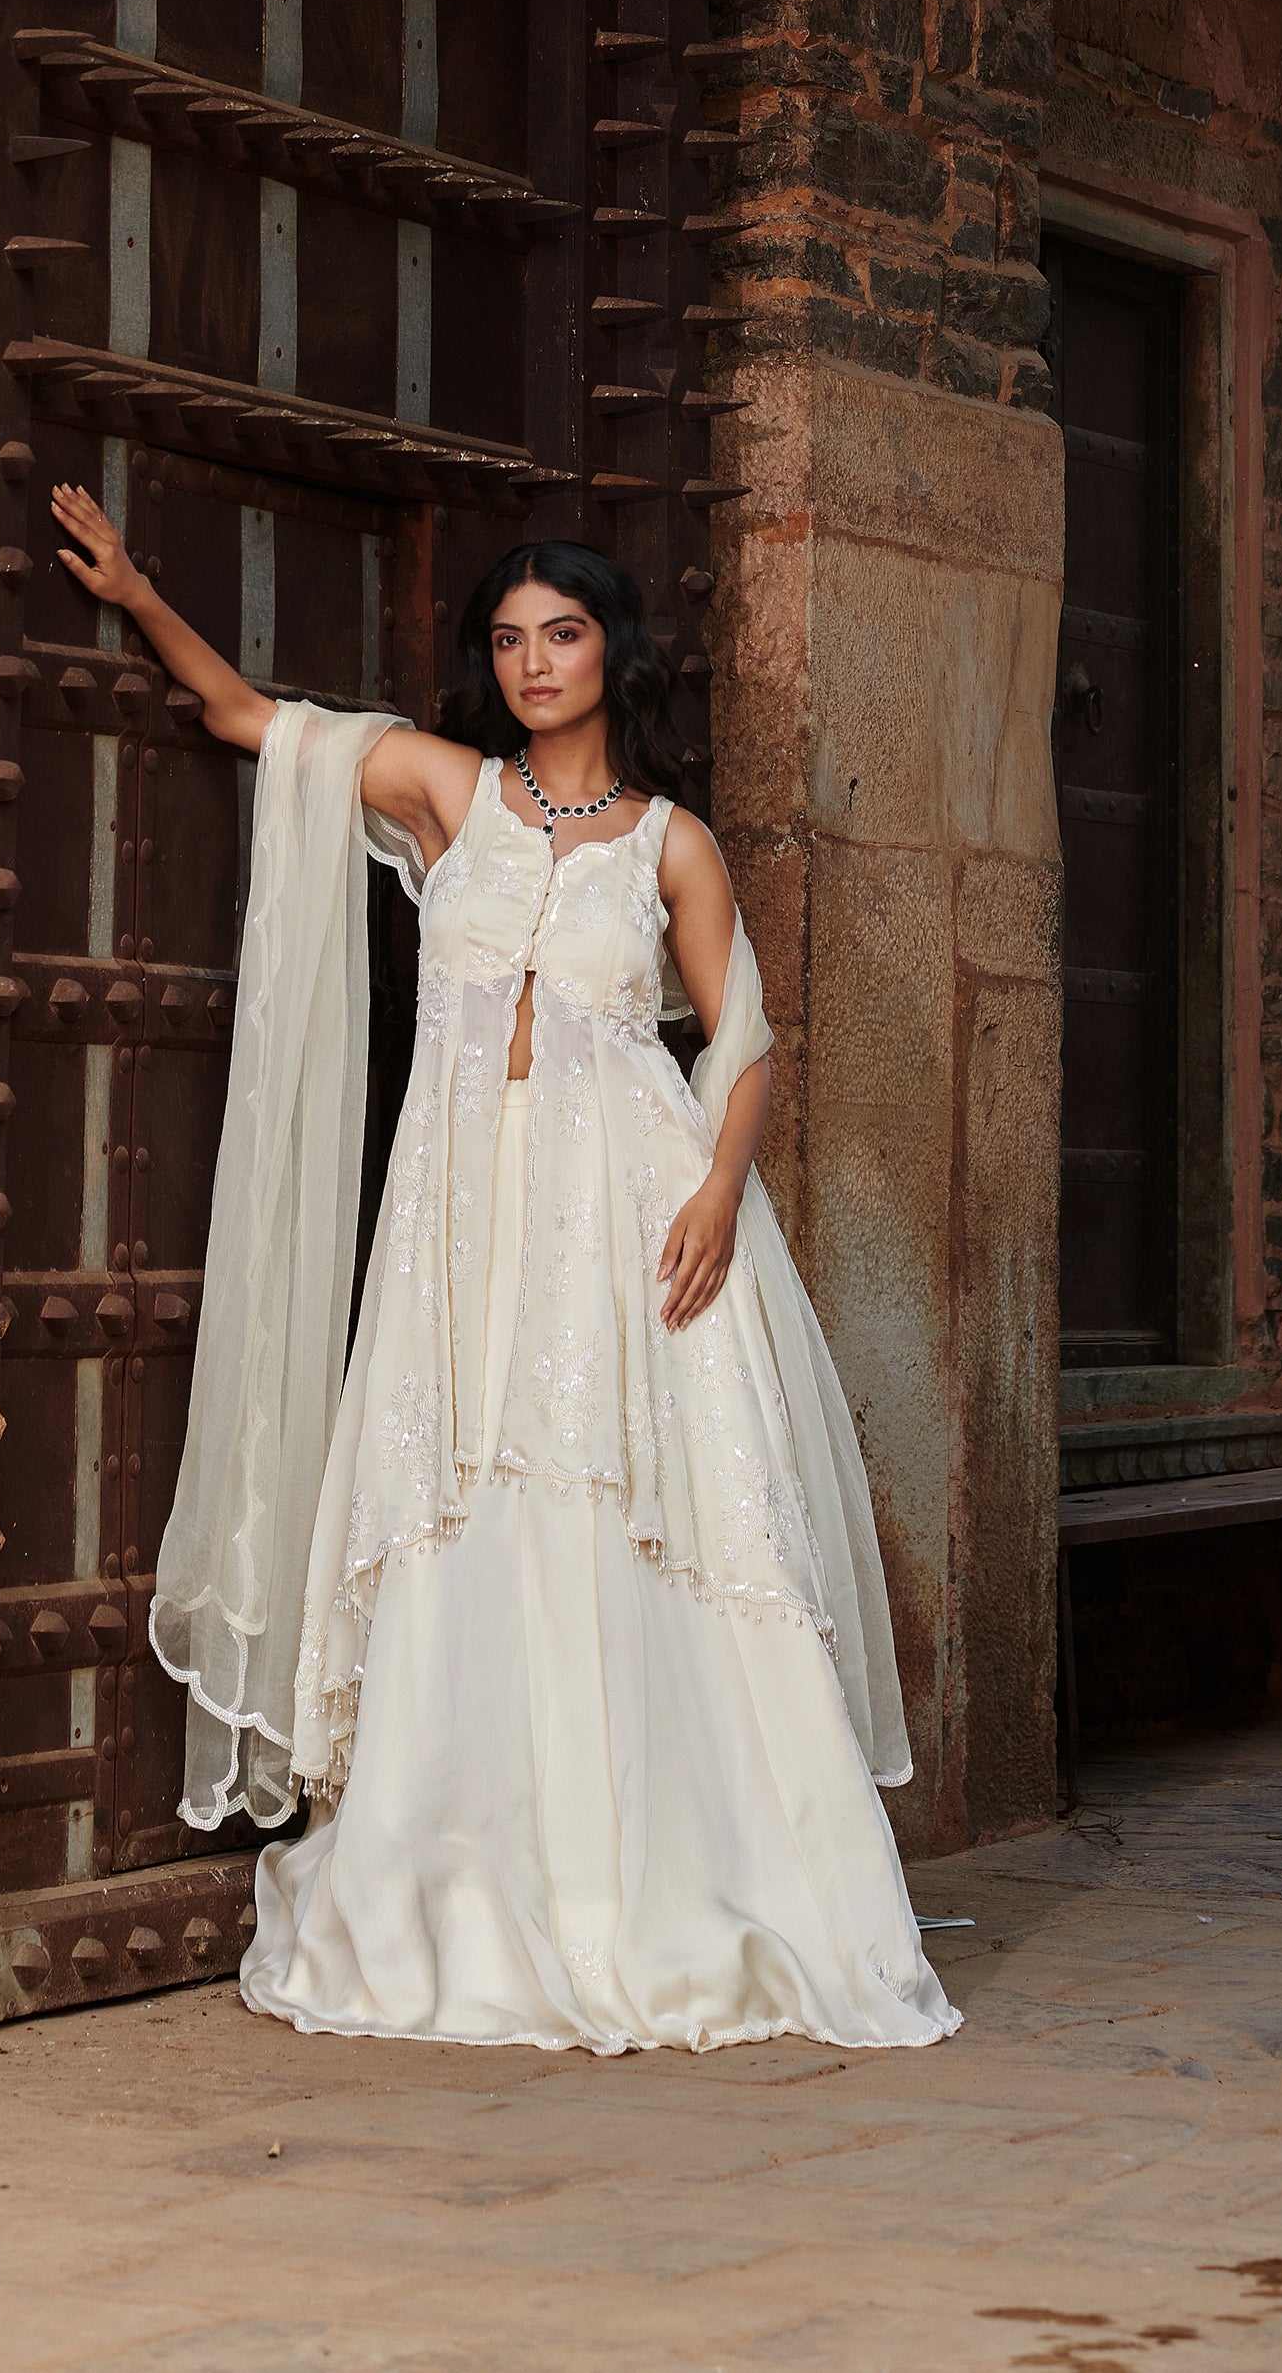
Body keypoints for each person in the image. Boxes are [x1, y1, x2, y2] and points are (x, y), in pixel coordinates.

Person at [50, 485, 959, 2058]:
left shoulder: (673, 844)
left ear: (613, 653)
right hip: (463, 1211)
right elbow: (252, 720)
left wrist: (721, 1193)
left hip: (630, 1204)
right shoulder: (445, 791)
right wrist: (136, 593)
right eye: (511, 639)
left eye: (564, 634)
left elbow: (744, 1039)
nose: (535, 662)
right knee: (461, 1487)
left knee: (648, 1501)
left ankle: (687, 1877)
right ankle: (473, 1868)